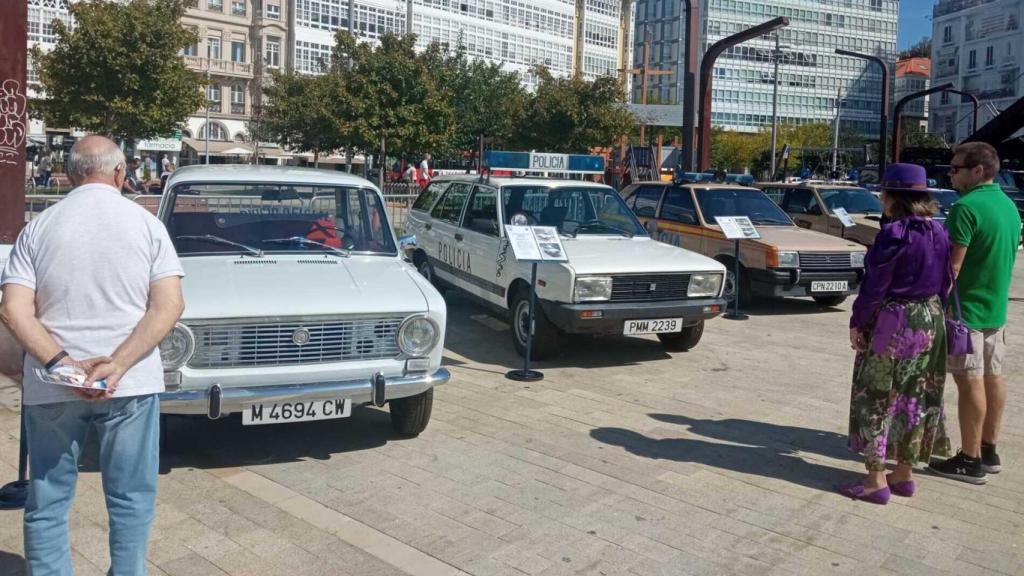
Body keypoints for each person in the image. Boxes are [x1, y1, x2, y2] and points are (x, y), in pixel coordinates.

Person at [0, 135, 185, 574]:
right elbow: (169, 305)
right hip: (130, 382)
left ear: (68, 175)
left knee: (47, 497)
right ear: (121, 173)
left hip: (52, 385)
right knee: (130, 496)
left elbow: (12, 310)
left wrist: (60, 363)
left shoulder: (39, 227)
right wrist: (117, 364)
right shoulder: (146, 225)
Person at [840, 163, 952, 505]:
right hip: (930, 317)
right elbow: (947, 280)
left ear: (892, 197)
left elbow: (875, 286)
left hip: (895, 319)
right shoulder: (938, 231)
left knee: (877, 396)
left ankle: (875, 480)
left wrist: (858, 322)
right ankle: (904, 473)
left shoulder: (894, 233)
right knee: (916, 393)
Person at [928, 142, 1021, 484]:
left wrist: (934, 305)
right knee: (994, 378)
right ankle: (989, 449)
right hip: (996, 310)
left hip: (965, 313)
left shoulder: (965, 208)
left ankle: (969, 460)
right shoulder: (1009, 207)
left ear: (978, 170)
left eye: (955, 169)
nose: (950, 174)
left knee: (969, 382)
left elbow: (952, 268)